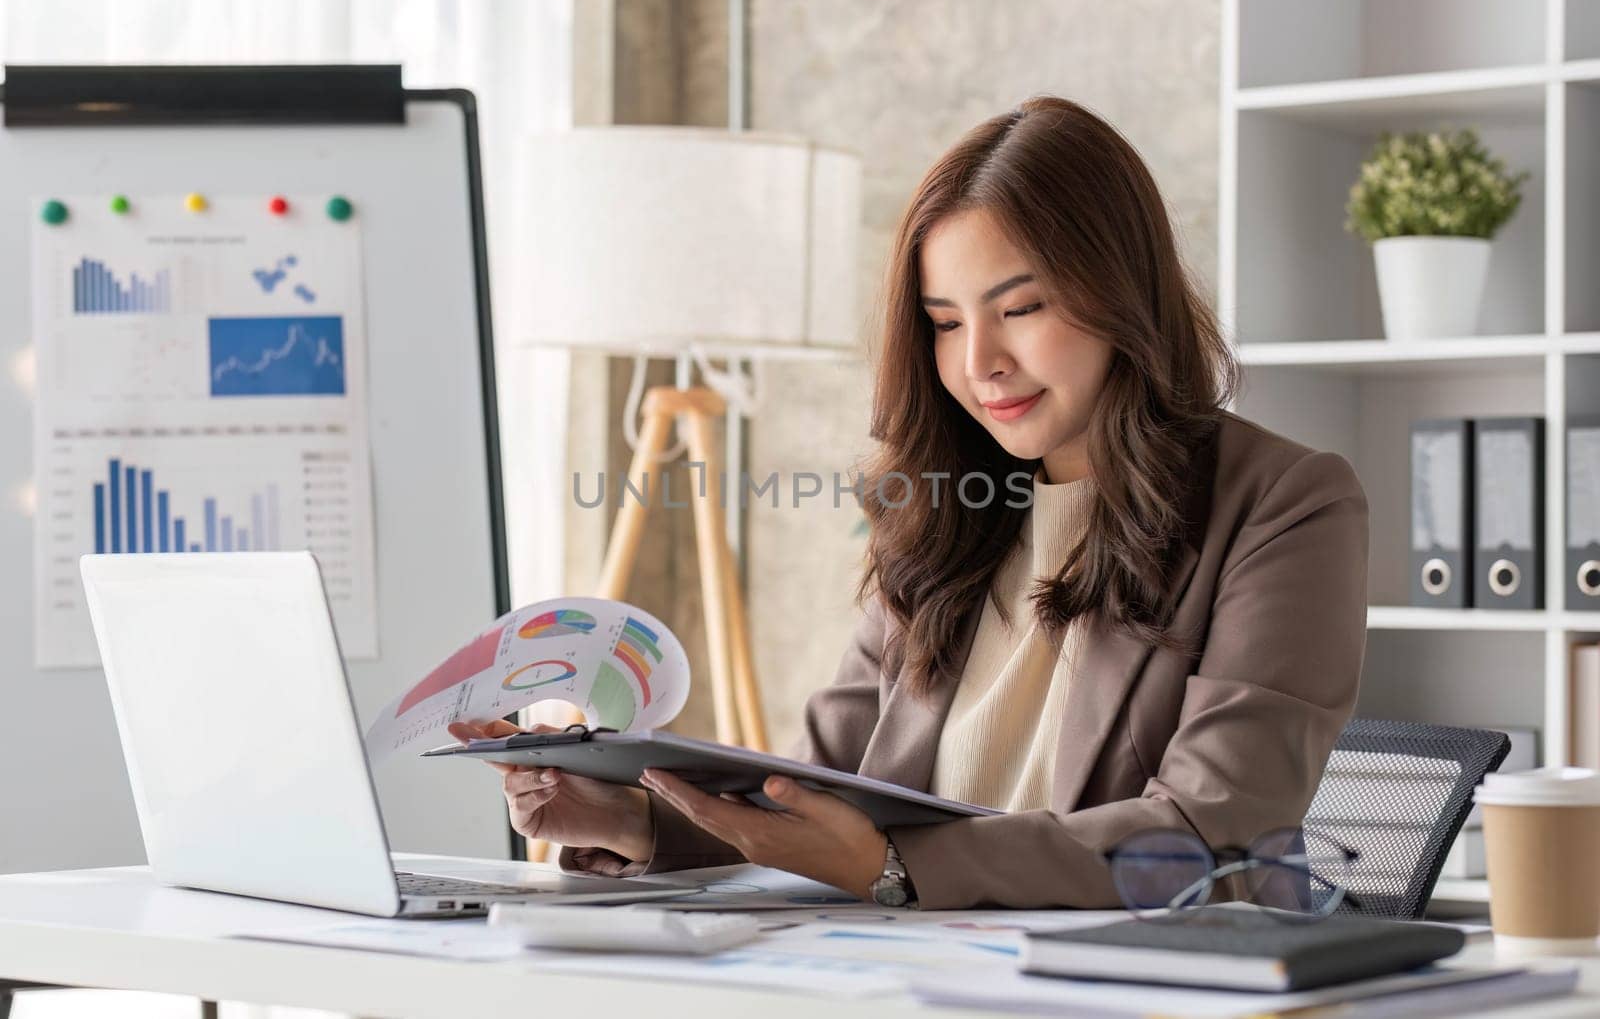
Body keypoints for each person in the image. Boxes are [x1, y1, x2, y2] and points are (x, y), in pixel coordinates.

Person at [453, 95, 1368, 910]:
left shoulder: (1283, 505)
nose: (980, 364)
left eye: (1021, 308)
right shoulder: (944, 511)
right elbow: (815, 792)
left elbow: (1209, 837)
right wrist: (636, 817)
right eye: (945, 323)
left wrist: (895, 866)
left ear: (1120, 291)